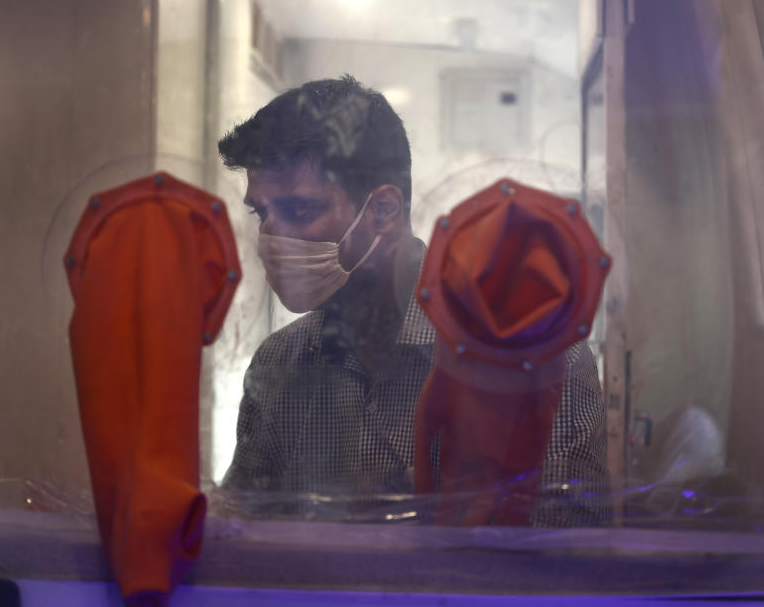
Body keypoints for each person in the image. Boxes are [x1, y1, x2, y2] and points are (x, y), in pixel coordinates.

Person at [217, 75, 610, 526]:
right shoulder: (279, 362)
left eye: (299, 210)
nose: (269, 237)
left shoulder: (529, 355)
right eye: (261, 213)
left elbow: (565, 559)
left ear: (383, 210)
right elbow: (242, 532)